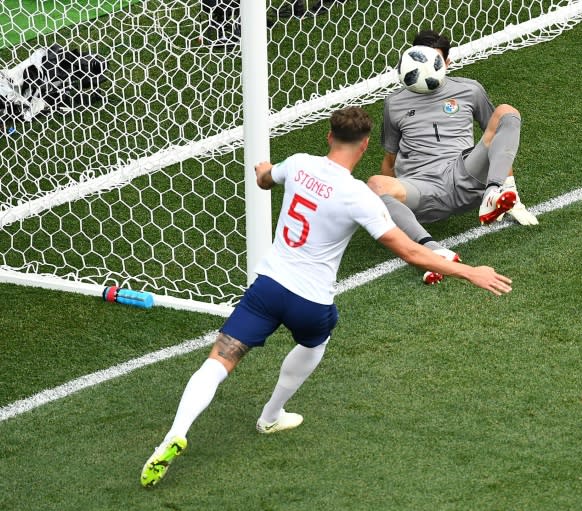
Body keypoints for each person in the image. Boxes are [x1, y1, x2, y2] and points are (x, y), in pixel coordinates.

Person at [140, 106, 512, 488]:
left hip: (267, 288)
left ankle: (175, 433)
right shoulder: (359, 197)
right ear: (365, 146)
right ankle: (271, 415)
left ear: (328, 137)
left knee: (219, 361)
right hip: (311, 303)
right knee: (317, 341)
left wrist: (264, 170)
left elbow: (266, 178)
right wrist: (471, 272)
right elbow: (412, 252)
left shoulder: (300, 164)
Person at [367, 29, 539, 285]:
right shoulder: (394, 103)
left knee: (506, 113)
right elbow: (389, 161)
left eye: (434, 63)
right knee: (376, 184)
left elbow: (497, 137)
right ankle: (433, 250)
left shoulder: (470, 90)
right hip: (422, 188)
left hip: (465, 175)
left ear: (447, 63)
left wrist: (510, 191)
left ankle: (494, 194)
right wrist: (387, 207)